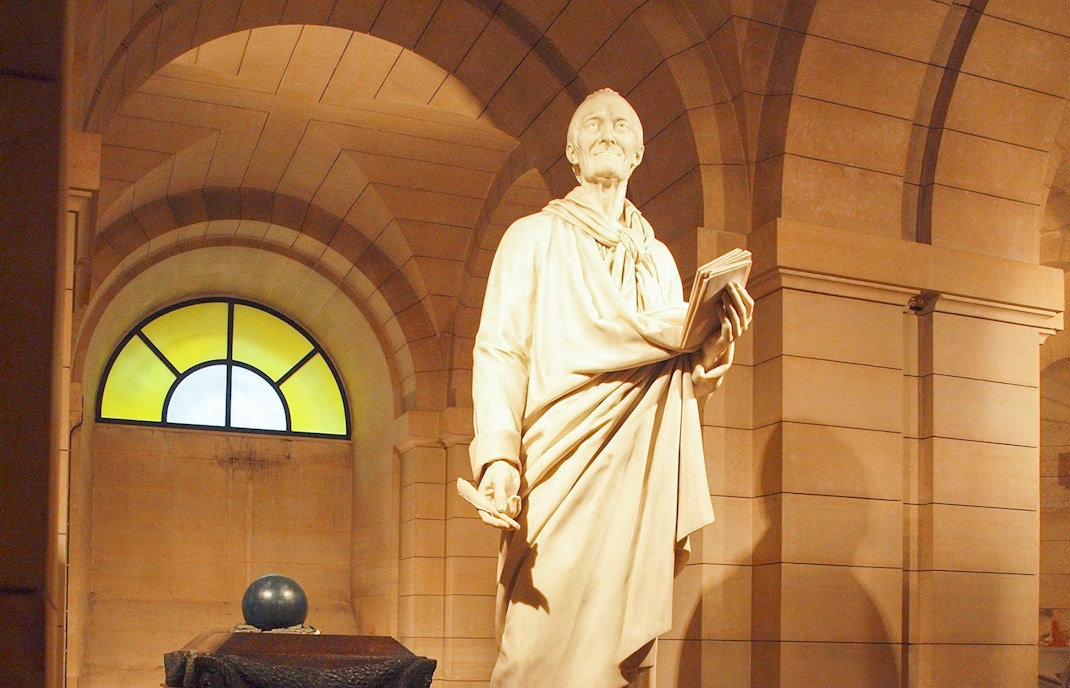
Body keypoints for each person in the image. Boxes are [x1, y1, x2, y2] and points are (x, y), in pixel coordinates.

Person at [467, 88, 753, 688]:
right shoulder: (532, 238)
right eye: (593, 123)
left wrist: (710, 352)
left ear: (638, 152)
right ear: (572, 152)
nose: (607, 130)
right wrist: (498, 454)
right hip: (558, 460)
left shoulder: (660, 263)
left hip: (637, 471)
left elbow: (673, 386)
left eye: (622, 124)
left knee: (616, 656)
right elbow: (501, 349)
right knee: (533, 646)